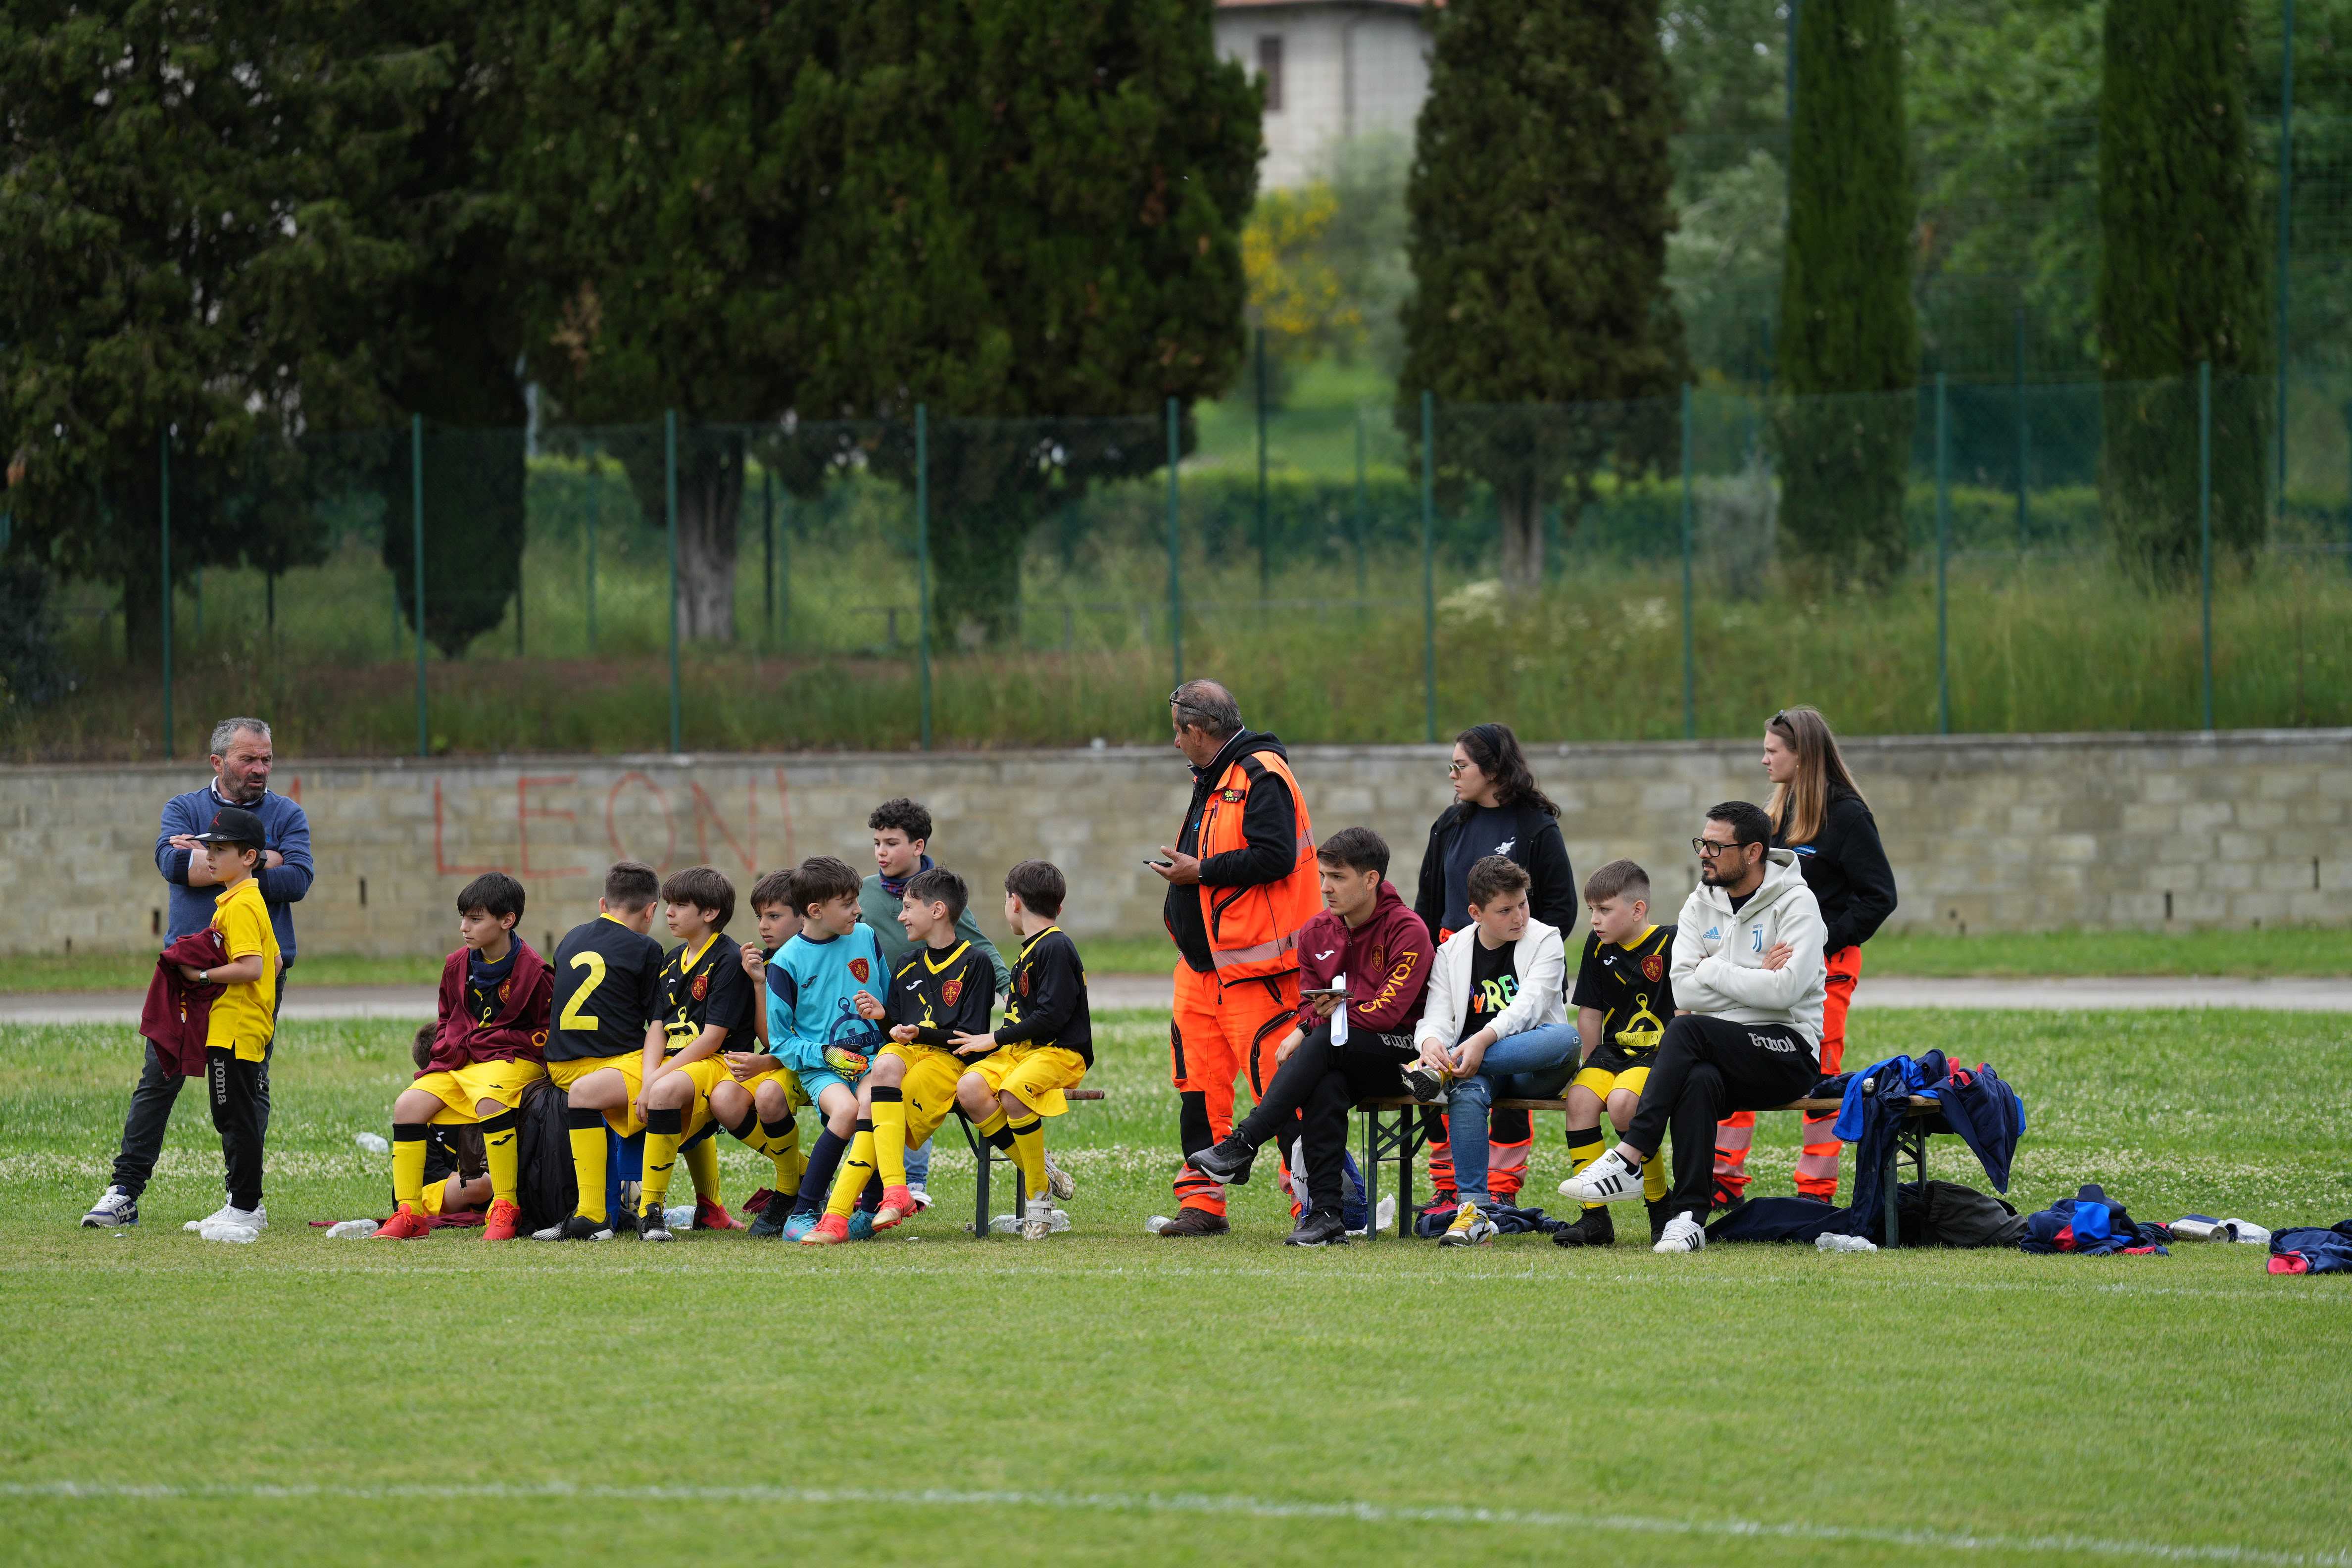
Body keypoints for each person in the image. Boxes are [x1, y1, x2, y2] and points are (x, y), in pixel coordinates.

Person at [1561, 802, 1827, 1254]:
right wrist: (1754, 977)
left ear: (1753, 852)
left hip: (1786, 1049)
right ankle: (1687, 1220)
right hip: (1718, 1054)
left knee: (1686, 1032)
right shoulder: (1699, 903)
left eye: (1716, 846)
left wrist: (1713, 969)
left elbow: (1785, 992)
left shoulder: (1797, 903)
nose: (1703, 853)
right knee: (1698, 1077)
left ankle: (1629, 1156)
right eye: (1702, 843)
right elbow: (1684, 990)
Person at [84, 717, 312, 1229]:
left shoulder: (287, 813)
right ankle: (123, 1192)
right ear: (218, 761)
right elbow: (172, 865)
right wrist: (258, 860)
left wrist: (227, 863)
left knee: (247, 1086)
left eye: (266, 759)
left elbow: (298, 879)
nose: (260, 769)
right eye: (248, 759)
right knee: (159, 1078)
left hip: (252, 979)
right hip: (189, 977)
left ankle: (243, 1201)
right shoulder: (183, 807)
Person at [1182, 827, 1432, 1247]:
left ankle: (1244, 1143)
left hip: (1403, 1056)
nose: (1325, 888)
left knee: (1326, 1044)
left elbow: (1387, 1014)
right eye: (1323, 876)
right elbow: (1308, 1005)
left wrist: (1310, 1028)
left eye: (1338, 877)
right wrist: (1308, 1024)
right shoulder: (1316, 931)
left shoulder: (1408, 929)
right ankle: (1327, 1215)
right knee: (1326, 1083)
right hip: (1340, 1053)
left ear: (1371, 880)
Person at [1149, 679, 1318, 1238]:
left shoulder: (1260, 773)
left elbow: (1276, 856)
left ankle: (1317, 1205)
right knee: (1198, 1091)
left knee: (1282, 1094)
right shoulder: (1215, 775)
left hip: (1256, 973)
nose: (1175, 743)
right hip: (1202, 971)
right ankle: (1202, 1204)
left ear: (1199, 731)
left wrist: (1199, 872)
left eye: (1178, 732)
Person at [1713, 706, 1897, 1206]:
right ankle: (1722, 1183)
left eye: (1772, 751)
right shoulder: (1774, 815)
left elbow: (1879, 897)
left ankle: (1816, 1194)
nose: (1764, 760)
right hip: (1763, 965)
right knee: (1734, 1060)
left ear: (1803, 755)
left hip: (1828, 969)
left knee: (1821, 1077)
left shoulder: (1848, 815)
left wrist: (1819, 941)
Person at [1411, 723, 1575, 1210]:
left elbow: (1562, 909)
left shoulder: (1535, 826)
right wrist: (1450, 957)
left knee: (1495, 1071)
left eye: (1461, 765)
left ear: (1494, 769)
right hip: (1459, 970)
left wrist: (1518, 948)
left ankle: (1502, 1187)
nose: (1453, 774)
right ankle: (1452, 1187)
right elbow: (1428, 905)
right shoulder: (1450, 824)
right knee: (1456, 1071)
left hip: (1519, 975)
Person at [800, 866, 997, 1245]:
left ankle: (836, 1217)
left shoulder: (977, 963)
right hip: (907, 1054)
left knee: (873, 1112)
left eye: (908, 908)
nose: (901, 916)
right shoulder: (907, 962)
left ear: (937, 910)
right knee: (887, 1063)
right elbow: (899, 1026)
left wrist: (919, 1032)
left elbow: (968, 1038)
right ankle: (895, 1192)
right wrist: (884, 1017)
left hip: (946, 1063)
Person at [1409, 856, 1577, 1247]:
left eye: (1523, 904)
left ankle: (1443, 1071)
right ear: (1476, 913)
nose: (1519, 917)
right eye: (1505, 910)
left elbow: (1529, 1007)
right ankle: (1474, 1213)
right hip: (1477, 1071)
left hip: (1534, 1065)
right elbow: (1436, 1016)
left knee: (1566, 1039)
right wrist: (1430, 1042)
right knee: (1468, 1092)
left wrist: (1480, 1042)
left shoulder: (1546, 939)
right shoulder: (1451, 951)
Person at [376, 873, 552, 1243]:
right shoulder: (456, 964)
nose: (464, 928)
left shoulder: (535, 972)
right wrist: (451, 1047)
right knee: (407, 1105)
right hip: (465, 1062)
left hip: (514, 1061)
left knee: (490, 1101)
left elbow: (545, 1034)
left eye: (475, 919)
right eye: (463, 918)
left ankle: (506, 1205)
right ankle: (409, 1213)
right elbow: (447, 1019)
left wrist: (496, 1042)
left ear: (507, 921)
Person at [860, 797, 1011, 1210]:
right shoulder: (865, 893)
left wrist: (1009, 991)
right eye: (877, 844)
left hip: (932, 1024)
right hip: (887, 1014)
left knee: (918, 1078)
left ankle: (911, 1183)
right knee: (881, 1083)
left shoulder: (940, 896)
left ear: (918, 846)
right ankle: (872, 1183)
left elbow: (980, 946)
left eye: (891, 843)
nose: (881, 853)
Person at [950, 860, 1092, 1243]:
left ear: (1014, 902)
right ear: (1058, 905)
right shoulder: (1031, 948)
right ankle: (1043, 1171)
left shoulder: (1056, 947)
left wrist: (994, 1039)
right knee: (969, 1090)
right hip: (1021, 1052)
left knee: (1014, 1093)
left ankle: (1038, 1198)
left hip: (1059, 1052)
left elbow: (1052, 1017)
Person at [164, 807, 283, 1241]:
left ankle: (246, 1207)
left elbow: (253, 967)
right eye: (208, 848)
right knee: (236, 1113)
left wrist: (201, 976)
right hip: (243, 1024)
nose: (209, 857)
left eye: (220, 850)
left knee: (234, 1117)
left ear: (249, 857)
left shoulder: (240, 906)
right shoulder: (246, 900)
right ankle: (242, 1203)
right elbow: (275, 960)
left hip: (233, 1028)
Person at [535, 861, 670, 1241]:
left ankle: (605, 1208)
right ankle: (696, 1203)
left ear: (603, 904)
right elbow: (655, 1021)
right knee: (676, 1081)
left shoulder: (571, 938)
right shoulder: (647, 948)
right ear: (651, 911)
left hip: (561, 1067)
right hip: (609, 1066)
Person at [764, 856, 893, 1241]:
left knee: (873, 1106)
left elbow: (891, 1001)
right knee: (847, 1110)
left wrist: (885, 1018)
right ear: (816, 911)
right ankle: (803, 1212)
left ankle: (869, 1210)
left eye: (856, 901)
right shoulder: (785, 962)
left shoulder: (866, 937)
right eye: (848, 903)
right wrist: (826, 1055)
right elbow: (781, 1042)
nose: (858, 910)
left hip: (874, 1060)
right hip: (822, 1068)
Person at [1553, 859, 1677, 1248]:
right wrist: (1590, 1067)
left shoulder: (1672, 942)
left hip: (1659, 1054)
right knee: (1580, 1100)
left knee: (1624, 1105)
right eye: (1592, 910)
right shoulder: (1597, 946)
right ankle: (1595, 1219)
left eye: (1605, 910)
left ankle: (1660, 1206)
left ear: (1638, 910)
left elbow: (1687, 1011)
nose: (1595, 919)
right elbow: (1590, 1014)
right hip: (1612, 1053)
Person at [633, 867, 761, 1241]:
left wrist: (656, 1081)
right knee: (602, 1091)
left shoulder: (728, 958)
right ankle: (599, 1208)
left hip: (718, 1060)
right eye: (669, 904)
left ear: (709, 913)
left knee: (664, 1093)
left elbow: (712, 1038)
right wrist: (648, 1076)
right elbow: (657, 1026)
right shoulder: (673, 958)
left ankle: (649, 1212)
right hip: (677, 1062)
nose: (669, 912)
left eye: (680, 905)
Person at [735, 868, 811, 1236]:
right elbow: (770, 1037)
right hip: (780, 1060)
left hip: (819, 1062)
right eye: (760, 917)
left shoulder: (817, 959)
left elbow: (798, 1042)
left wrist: (766, 1061)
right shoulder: (763, 964)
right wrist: (758, 984)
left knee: (767, 1095)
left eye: (774, 916)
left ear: (804, 916)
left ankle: (787, 1192)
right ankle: (807, 1173)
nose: (764, 926)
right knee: (725, 1100)